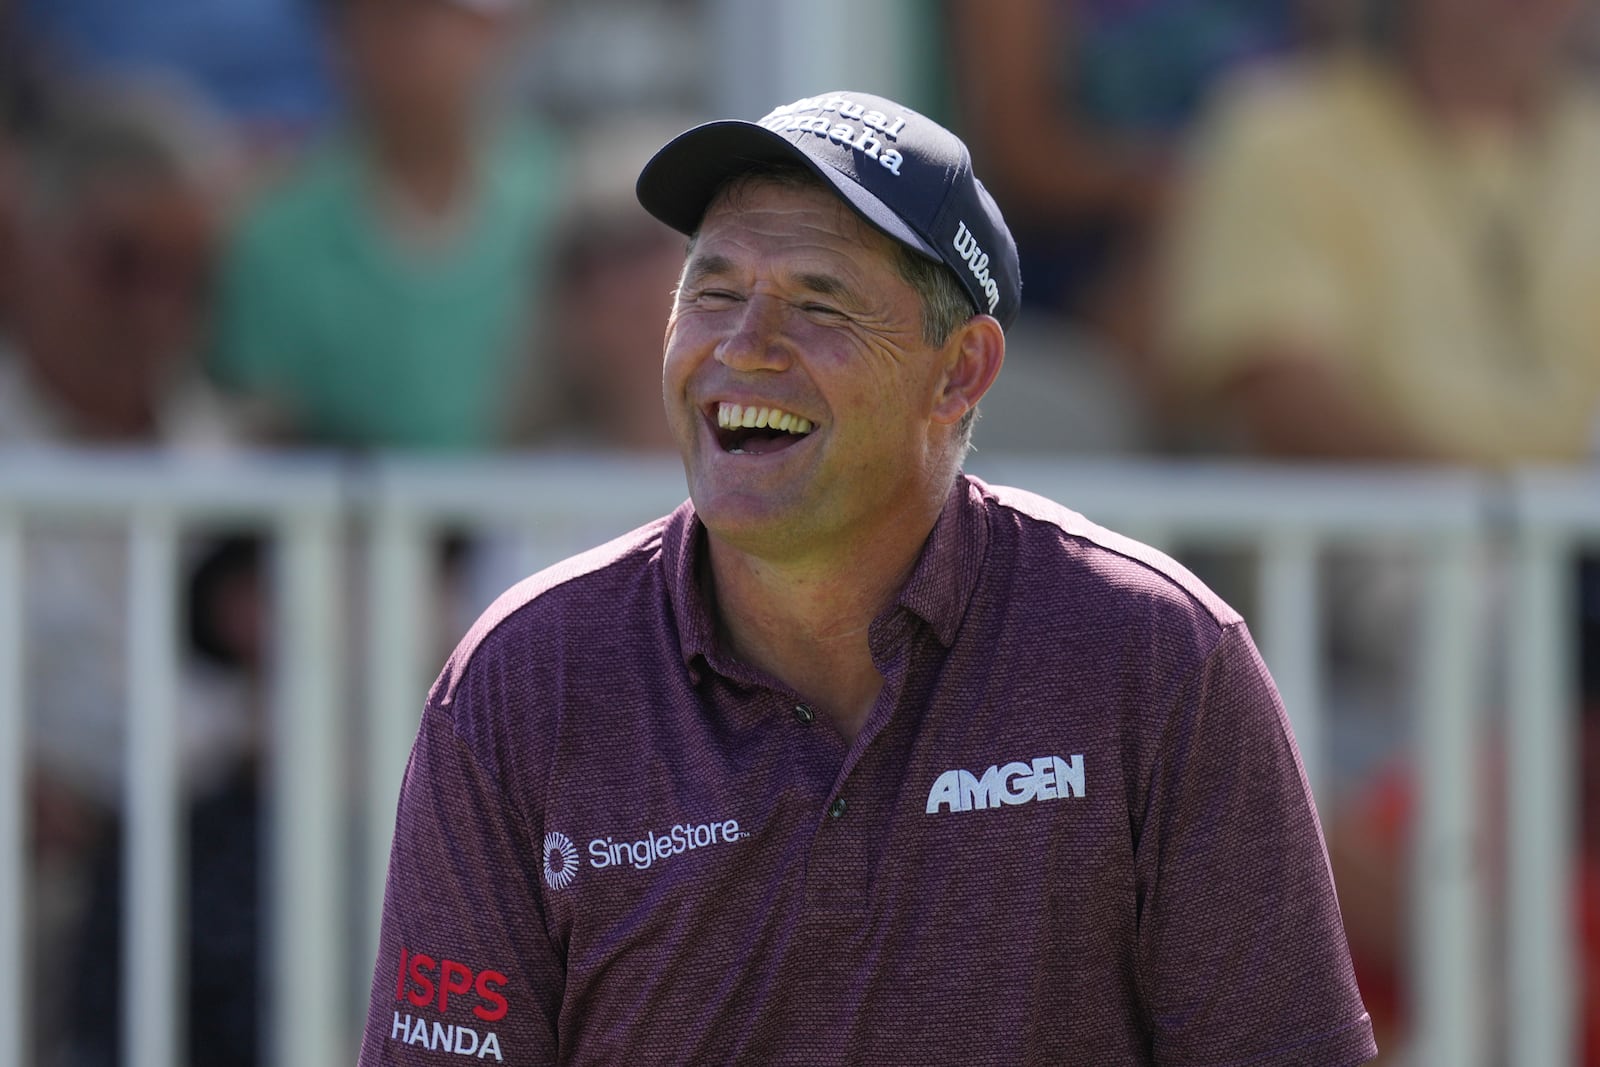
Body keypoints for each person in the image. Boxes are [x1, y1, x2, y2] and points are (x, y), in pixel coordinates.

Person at [359, 90, 1376, 1065]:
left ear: (960, 371)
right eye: (712, 291)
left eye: (818, 301)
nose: (742, 346)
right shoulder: (519, 680)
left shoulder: (1154, 656)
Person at [211, 0, 564, 452]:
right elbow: (259, 424)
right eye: (389, 17)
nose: (416, 41)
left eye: (438, 16)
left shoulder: (561, 201)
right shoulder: (273, 232)